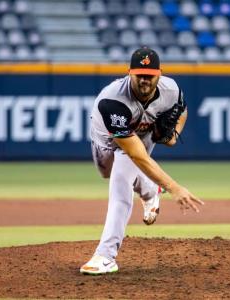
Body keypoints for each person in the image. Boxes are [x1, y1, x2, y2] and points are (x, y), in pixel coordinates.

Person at [80, 47, 204, 275]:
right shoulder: (113, 101)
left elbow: (182, 110)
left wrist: (173, 135)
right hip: (106, 141)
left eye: (150, 75)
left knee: (120, 185)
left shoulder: (171, 89)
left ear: (160, 73)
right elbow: (138, 155)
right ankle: (150, 191)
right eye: (140, 75)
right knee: (108, 172)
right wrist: (173, 187)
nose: (145, 80)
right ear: (129, 73)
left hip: (140, 138)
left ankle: (106, 255)